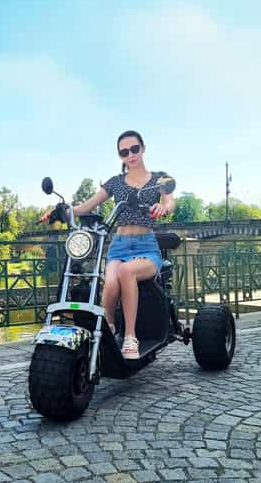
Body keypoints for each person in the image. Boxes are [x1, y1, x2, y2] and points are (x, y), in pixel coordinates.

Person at [42, 130, 175, 359]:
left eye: (134, 149)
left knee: (126, 272)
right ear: (120, 155)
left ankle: (130, 337)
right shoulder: (115, 182)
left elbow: (170, 202)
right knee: (111, 281)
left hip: (146, 246)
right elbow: (86, 207)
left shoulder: (159, 180)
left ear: (143, 148)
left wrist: (164, 207)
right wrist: (62, 211)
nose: (130, 155)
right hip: (119, 246)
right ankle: (109, 329)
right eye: (124, 152)